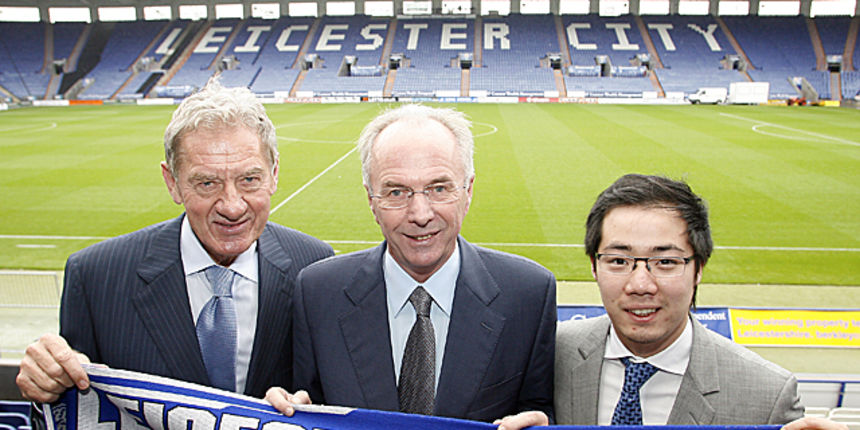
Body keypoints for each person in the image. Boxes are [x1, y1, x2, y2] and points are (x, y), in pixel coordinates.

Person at [16, 79, 334, 407]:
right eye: (207, 183)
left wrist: (311, 406)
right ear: (173, 183)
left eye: (249, 179)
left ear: (275, 173)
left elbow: (330, 389)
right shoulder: (96, 277)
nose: (232, 205)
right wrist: (50, 383)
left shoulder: (315, 268)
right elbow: (75, 408)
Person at [266, 104, 556, 422]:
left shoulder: (529, 294)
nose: (420, 214)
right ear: (370, 199)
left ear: (468, 190)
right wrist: (287, 409)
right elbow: (309, 402)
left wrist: (541, 424)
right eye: (396, 191)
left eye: (439, 188)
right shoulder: (318, 293)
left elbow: (538, 407)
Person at [497, 174, 845, 430]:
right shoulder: (547, 356)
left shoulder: (767, 395)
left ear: (698, 270)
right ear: (593, 267)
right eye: (618, 261)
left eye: (665, 262)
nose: (640, 284)